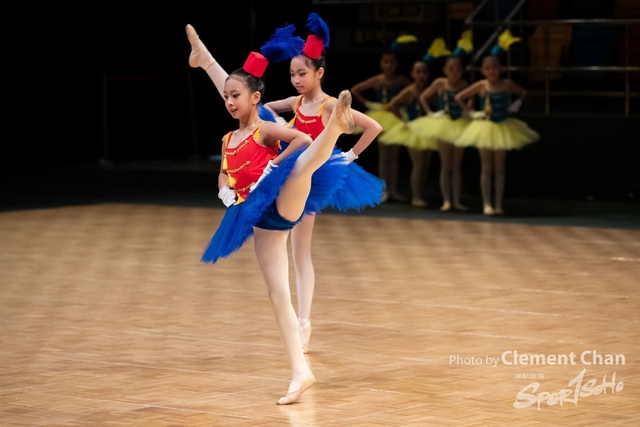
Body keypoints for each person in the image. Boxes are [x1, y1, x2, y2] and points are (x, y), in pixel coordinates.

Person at [186, 23, 356, 405]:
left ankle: (336, 127)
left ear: (256, 98)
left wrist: (274, 164)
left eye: (236, 96)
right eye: (226, 97)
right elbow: (224, 171)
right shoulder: (229, 138)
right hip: (259, 220)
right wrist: (223, 189)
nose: (229, 102)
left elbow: (302, 139)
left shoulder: (265, 127)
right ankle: (300, 372)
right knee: (278, 296)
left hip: (281, 198)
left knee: (301, 168)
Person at [262, 13, 384, 354]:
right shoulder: (297, 103)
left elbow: (373, 126)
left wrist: (349, 157)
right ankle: (297, 320)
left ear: (320, 73)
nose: (296, 79)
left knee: (300, 252)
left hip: (315, 179)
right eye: (292, 74)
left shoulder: (331, 105)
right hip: (293, 173)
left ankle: (303, 321)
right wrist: (280, 128)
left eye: (302, 73)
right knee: (288, 248)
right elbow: (266, 108)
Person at [454, 30, 539, 215]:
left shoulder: (506, 84)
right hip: (485, 128)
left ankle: (499, 204)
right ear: (483, 71)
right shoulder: (481, 85)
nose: (492, 71)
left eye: (495, 67)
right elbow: (459, 97)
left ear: (501, 68)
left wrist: (517, 103)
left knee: (499, 169)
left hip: (504, 127)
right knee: (486, 168)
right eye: (488, 68)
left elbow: (523, 92)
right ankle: (487, 204)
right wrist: (470, 111)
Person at [410, 31, 474, 211]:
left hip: (459, 125)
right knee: (446, 165)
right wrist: (431, 113)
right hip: (443, 125)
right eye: (451, 69)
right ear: (445, 70)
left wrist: (468, 110)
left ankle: (456, 200)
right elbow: (423, 97)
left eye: (458, 69)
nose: (455, 73)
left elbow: (470, 98)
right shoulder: (440, 83)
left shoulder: (464, 84)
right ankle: (447, 200)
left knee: (456, 166)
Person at [350, 37, 414, 203]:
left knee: (394, 157)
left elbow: (412, 93)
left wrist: (403, 106)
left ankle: (393, 191)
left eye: (392, 62)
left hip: (397, 118)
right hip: (382, 117)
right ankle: (384, 191)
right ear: (381, 63)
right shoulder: (378, 80)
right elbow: (355, 90)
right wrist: (369, 104)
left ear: (396, 64)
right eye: (386, 62)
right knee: (385, 156)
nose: (389, 65)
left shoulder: (401, 81)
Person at [378, 56, 438, 207]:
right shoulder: (410, 91)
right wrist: (403, 118)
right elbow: (392, 105)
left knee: (425, 164)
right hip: (413, 131)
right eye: (418, 72)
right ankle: (416, 197)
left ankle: (419, 194)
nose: (421, 75)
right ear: (412, 74)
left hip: (427, 130)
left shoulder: (429, 91)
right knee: (418, 163)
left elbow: (437, 104)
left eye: (424, 72)